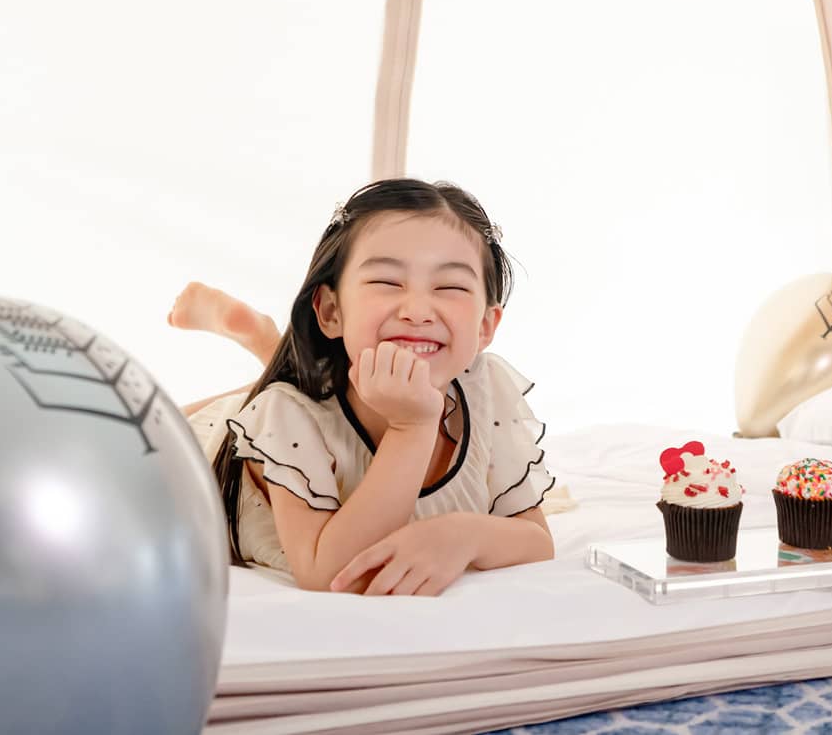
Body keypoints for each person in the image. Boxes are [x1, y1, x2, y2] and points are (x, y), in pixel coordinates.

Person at [177, 178, 555, 596]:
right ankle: (267, 347)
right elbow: (331, 574)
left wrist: (464, 534)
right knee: (168, 423)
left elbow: (536, 539)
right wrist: (411, 427)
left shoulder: (486, 390)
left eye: (450, 287)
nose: (417, 311)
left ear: (486, 326)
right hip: (214, 442)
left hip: (312, 407)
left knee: (287, 392)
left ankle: (269, 348)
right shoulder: (285, 416)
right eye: (387, 282)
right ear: (332, 311)